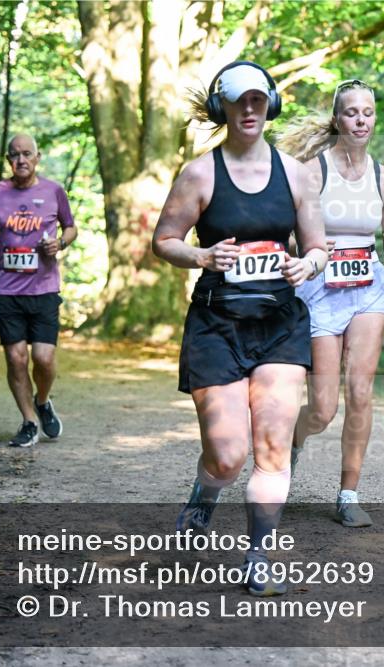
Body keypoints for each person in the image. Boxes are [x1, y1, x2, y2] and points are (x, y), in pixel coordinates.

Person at [152, 61, 327, 597]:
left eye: (258, 100)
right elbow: (164, 240)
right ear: (222, 108)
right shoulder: (200, 174)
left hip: (278, 325)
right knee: (228, 455)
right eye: (238, 101)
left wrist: (308, 265)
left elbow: (318, 248)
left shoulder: (296, 175)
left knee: (273, 446)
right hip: (216, 327)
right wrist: (202, 254)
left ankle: (258, 555)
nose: (249, 109)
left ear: (270, 105)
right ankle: (204, 496)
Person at [278, 79, 384, 528]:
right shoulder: (312, 173)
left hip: (369, 287)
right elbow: (289, 235)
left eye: (368, 113)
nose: (360, 119)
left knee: (360, 391)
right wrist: (308, 248)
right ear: (338, 119)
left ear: (375, 119)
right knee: (322, 409)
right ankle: (293, 441)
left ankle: (348, 493)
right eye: (351, 112)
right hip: (318, 289)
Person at [0, 133, 78, 448]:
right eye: (15, 155)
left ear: (37, 157)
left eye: (26, 154)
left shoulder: (54, 191)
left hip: (44, 288)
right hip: (7, 290)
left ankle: (42, 401)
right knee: (16, 359)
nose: (21, 160)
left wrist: (61, 241)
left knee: (43, 358)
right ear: (8, 160)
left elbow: (70, 226)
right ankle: (29, 421)